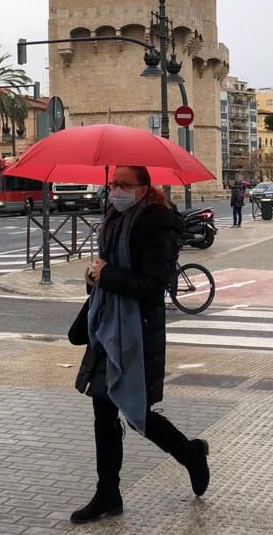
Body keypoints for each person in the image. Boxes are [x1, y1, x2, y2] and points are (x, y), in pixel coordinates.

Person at [70, 165, 210, 523]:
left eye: (125, 184)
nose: (116, 190)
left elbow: (152, 285)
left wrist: (108, 275)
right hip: (106, 328)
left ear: (145, 188)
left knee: (137, 413)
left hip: (137, 331)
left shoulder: (157, 223)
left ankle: (191, 454)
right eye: (113, 183)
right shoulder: (113, 219)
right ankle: (108, 494)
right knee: (103, 412)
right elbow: (107, 271)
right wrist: (94, 275)